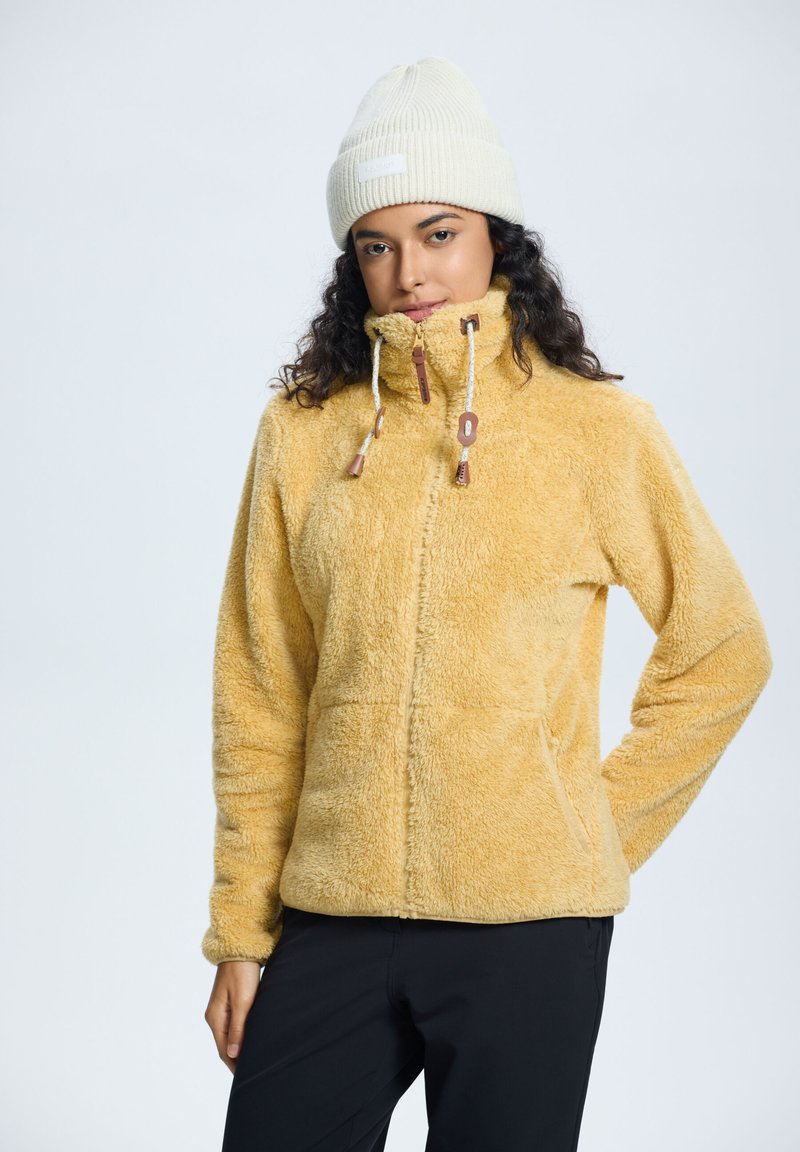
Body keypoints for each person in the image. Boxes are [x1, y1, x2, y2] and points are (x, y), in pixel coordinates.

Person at [202, 56, 773, 1152]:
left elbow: (722, 648)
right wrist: (240, 929)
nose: (409, 271)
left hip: (528, 928)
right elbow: (261, 688)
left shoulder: (595, 432)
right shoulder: (302, 434)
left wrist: (585, 832)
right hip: (332, 913)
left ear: (495, 237)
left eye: (438, 233)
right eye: (376, 245)